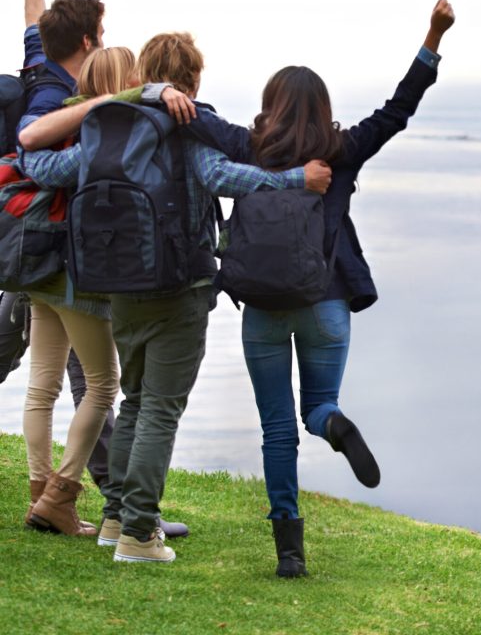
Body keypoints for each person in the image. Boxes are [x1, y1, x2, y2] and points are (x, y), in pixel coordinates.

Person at [21, 31, 332, 563]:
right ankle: (140, 535)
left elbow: (45, 167)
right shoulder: (186, 128)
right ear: (192, 79)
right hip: (179, 288)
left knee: (136, 402)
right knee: (161, 410)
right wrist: (295, 179)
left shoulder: (111, 131)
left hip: (119, 286)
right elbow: (228, 177)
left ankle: (117, 518)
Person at [171, 0, 455, 577]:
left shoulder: (249, 147)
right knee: (316, 405)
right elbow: (397, 110)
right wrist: (433, 36)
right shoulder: (340, 151)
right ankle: (336, 424)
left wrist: (162, 93)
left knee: (277, 431)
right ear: (322, 108)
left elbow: (194, 119)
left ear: (270, 106)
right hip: (326, 303)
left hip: (265, 306)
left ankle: (290, 553)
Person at [16, 0, 192, 538]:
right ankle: (61, 494)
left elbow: (36, 23)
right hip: (69, 258)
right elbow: (37, 151)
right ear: (91, 45)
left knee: (42, 383)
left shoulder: (40, 73)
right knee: (104, 383)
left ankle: (43, 491)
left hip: (30, 259)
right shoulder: (76, 106)